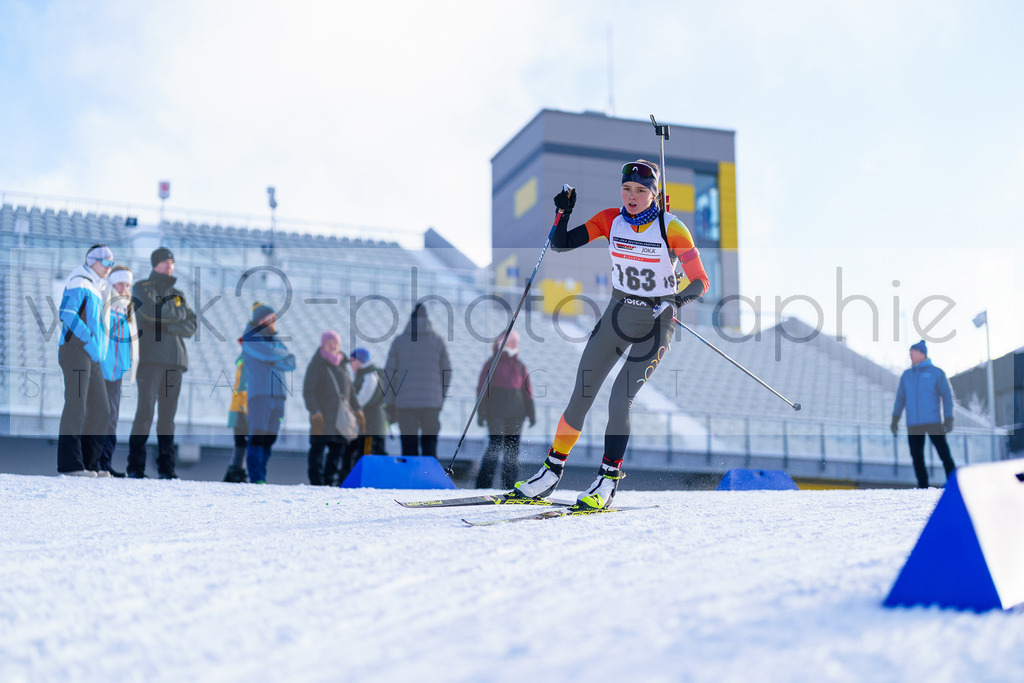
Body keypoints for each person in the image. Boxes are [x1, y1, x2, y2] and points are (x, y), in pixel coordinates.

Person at [512, 161, 710, 510]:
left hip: (655, 323)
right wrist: (563, 212)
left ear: (654, 193)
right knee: (582, 393)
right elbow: (562, 243)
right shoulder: (610, 220)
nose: (632, 197)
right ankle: (550, 472)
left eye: (641, 190)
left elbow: (701, 281)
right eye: (627, 189)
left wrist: (675, 301)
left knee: (619, 400)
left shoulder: (672, 228)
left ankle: (607, 480)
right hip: (617, 316)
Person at [127, 247, 196, 479]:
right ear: (155, 264)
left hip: (175, 362)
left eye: (172, 261)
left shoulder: (179, 293)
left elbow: (191, 326)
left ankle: (167, 469)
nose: (170, 265)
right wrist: (175, 316)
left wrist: (167, 320)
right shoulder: (141, 287)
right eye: (165, 261)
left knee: (168, 417)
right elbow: (149, 314)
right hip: (150, 359)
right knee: (145, 412)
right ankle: (135, 467)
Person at [56, 245, 114, 476]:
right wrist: (90, 340)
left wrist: (97, 348)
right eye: (106, 262)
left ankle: (91, 463)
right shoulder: (79, 280)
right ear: (92, 261)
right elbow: (67, 313)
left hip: (90, 354)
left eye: (112, 263)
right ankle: (70, 465)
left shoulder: (95, 286)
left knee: (102, 408)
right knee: (76, 404)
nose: (109, 267)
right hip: (75, 349)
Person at [384, 303, 452, 458]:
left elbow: (389, 373)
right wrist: (440, 398)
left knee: (409, 447)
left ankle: (410, 479)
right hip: (431, 403)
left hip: (405, 404)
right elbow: (447, 372)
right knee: (430, 445)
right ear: (427, 319)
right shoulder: (438, 341)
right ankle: (428, 478)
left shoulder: (399, 341)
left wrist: (390, 403)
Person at [242, 303, 296, 484]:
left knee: (271, 436)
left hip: (278, 394)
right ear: (260, 320)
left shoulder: (276, 340)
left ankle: (261, 475)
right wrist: (276, 357)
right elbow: (267, 354)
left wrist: (273, 357)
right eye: (269, 317)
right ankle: (256, 477)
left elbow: (291, 362)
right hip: (260, 393)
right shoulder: (250, 338)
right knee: (258, 434)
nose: (273, 321)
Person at [475, 330, 535, 489]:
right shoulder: (492, 363)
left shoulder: (520, 365)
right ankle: (483, 484)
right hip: (495, 413)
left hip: (517, 414)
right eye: (510, 342)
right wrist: (481, 412)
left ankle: (509, 485)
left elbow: (527, 390)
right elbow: (482, 388)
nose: (514, 345)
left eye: (515, 342)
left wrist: (531, 412)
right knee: (495, 444)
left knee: (513, 448)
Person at [891, 340, 957, 488]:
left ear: (921, 354)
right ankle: (923, 487)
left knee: (944, 454)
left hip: (933, 421)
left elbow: (947, 395)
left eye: (912, 352)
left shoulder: (936, 373)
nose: (910, 355)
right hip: (913, 423)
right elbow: (900, 398)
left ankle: (955, 485)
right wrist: (895, 418)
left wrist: (948, 417)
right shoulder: (906, 375)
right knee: (916, 457)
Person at [303, 330, 359, 485]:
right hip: (322, 416)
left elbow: (351, 392)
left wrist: (358, 410)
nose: (333, 346)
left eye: (336, 343)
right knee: (318, 449)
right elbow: (308, 391)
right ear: (323, 345)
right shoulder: (316, 364)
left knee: (337, 450)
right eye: (329, 343)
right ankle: (316, 481)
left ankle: (329, 481)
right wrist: (315, 412)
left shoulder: (343, 366)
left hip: (340, 418)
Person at [97, 265, 138, 477]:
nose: (124, 288)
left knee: (112, 417)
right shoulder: (104, 304)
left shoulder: (127, 309)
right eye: (121, 283)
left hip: (117, 370)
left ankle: (105, 462)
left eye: (127, 285)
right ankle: (94, 461)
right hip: (101, 366)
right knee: (99, 414)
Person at [349, 347, 388, 457]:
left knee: (367, 454)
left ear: (359, 361)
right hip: (370, 424)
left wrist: (348, 406)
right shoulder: (364, 374)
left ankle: (370, 474)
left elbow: (361, 400)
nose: (351, 366)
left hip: (372, 424)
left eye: (352, 361)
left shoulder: (369, 376)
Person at [222, 338, 249, 483]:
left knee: (241, 443)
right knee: (242, 443)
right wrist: (244, 409)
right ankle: (236, 471)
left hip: (239, 408)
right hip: (242, 409)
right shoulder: (246, 363)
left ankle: (232, 473)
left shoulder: (243, 362)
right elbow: (243, 388)